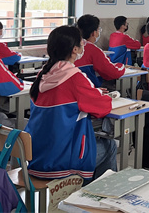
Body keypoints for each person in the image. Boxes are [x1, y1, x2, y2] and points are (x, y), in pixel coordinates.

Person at [25, 26, 116, 182]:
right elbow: (103, 107)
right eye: (82, 43)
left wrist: (90, 92)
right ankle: (93, 193)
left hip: (36, 157)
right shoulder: (74, 78)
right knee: (110, 145)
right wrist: (97, 94)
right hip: (62, 162)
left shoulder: (43, 74)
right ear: (75, 49)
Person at [76, 14, 125, 87]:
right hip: (89, 88)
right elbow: (112, 72)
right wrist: (121, 66)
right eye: (98, 29)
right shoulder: (93, 50)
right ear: (94, 33)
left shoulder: (72, 46)